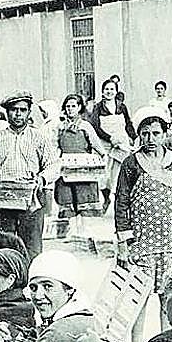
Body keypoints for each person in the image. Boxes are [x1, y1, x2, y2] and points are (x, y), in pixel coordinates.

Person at [114, 106, 172, 342]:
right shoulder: (131, 164)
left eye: (156, 133)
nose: (150, 139)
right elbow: (121, 202)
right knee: (138, 299)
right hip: (143, 245)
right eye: (145, 134)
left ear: (166, 134)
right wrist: (123, 245)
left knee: (170, 299)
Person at [0, 91, 60, 260]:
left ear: (28, 112)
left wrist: (42, 179)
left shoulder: (39, 137)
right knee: (4, 245)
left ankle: (30, 282)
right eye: (14, 109)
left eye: (23, 110)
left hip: (32, 198)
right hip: (4, 198)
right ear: (7, 112)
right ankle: (9, 281)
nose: (18, 114)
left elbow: (53, 165)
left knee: (32, 245)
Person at [53, 93, 107, 242]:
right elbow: (54, 146)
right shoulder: (59, 127)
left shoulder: (85, 126)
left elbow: (97, 146)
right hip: (66, 170)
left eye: (73, 106)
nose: (70, 109)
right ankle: (70, 235)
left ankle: (85, 234)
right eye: (68, 106)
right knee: (67, 200)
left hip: (84, 171)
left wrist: (101, 160)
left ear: (79, 108)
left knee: (84, 201)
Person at [88, 78, 135, 208]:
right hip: (105, 145)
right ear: (103, 92)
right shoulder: (98, 107)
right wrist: (110, 138)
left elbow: (128, 124)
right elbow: (95, 126)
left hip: (121, 145)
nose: (109, 92)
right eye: (106, 89)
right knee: (104, 175)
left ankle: (120, 203)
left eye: (112, 89)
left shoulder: (122, 106)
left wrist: (134, 137)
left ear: (116, 91)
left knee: (119, 174)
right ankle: (106, 198)